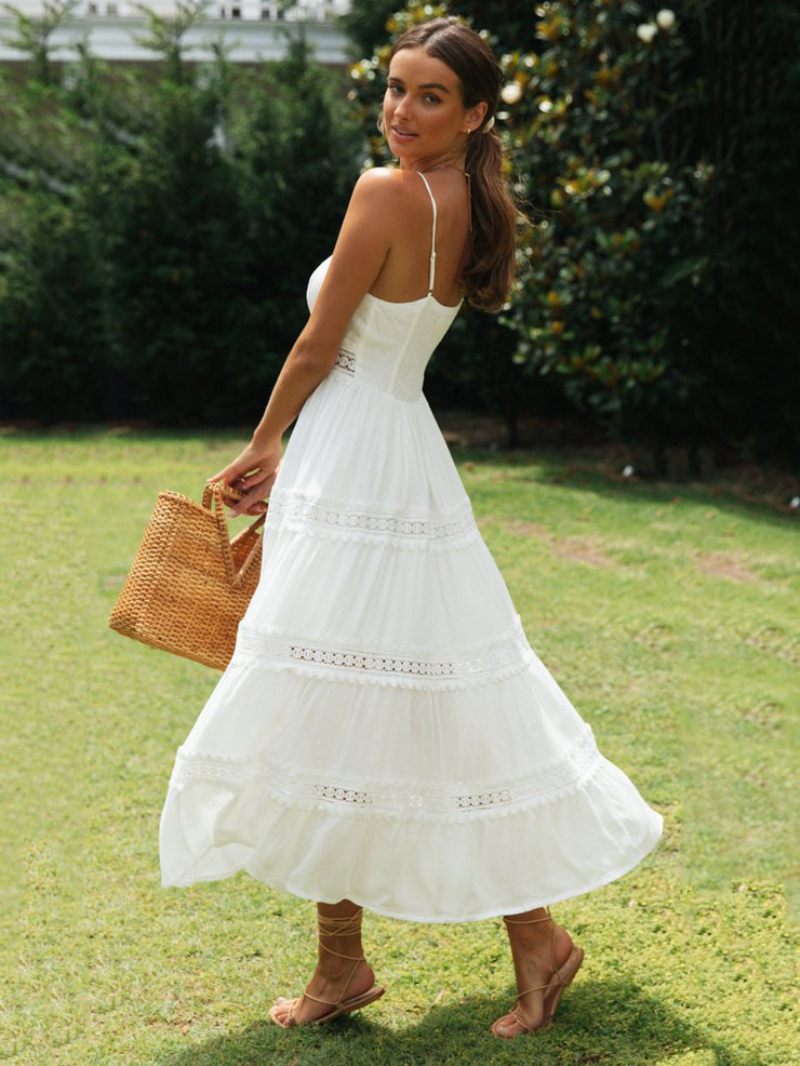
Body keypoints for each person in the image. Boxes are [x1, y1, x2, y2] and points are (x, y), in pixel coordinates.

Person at [158, 16, 663, 1040]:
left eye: (429, 96)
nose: (400, 109)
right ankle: (367, 962)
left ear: (474, 113)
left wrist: (262, 440)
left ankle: (469, 949)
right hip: (395, 456)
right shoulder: (468, 200)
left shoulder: (384, 194)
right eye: (394, 88)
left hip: (356, 464)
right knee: (376, 704)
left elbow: (318, 340)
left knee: (340, 701)